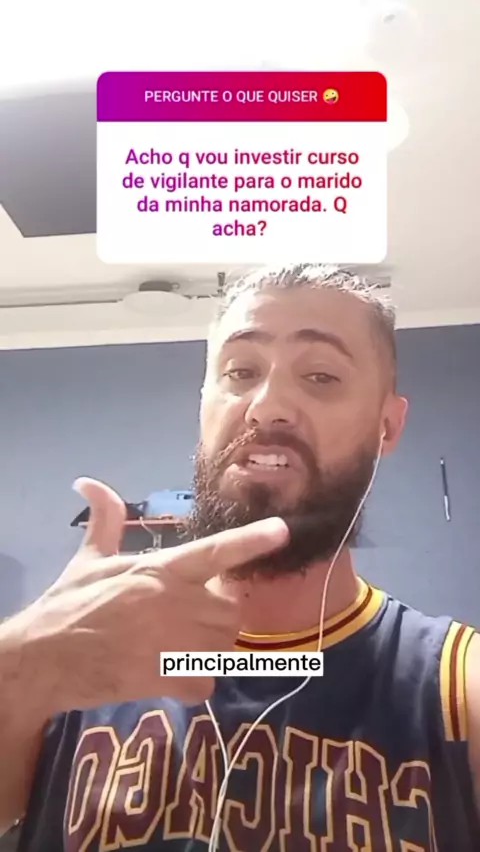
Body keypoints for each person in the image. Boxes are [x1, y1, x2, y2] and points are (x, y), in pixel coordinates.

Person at [1, 263, 480, 852]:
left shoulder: (457, 685)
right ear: (203, 405)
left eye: (321, 376)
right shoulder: (69, 666)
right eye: (240, 372)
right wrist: (20, 662)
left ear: (386, 426)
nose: (267, 406)